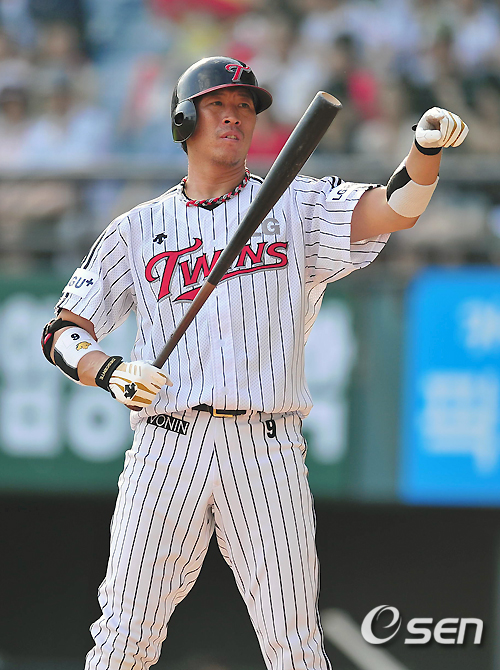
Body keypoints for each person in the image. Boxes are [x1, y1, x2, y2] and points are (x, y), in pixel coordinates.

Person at [41, 56, 468, 670]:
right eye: (218, 104)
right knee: (124, 638)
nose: (234, 116)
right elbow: (62, 333)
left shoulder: (295, 205)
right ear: (184, 120)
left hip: (265, 446)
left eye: (245, 106)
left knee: (293, 644)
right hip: (167, 443)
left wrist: (423, 152)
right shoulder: (138, 227)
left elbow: (395, 208)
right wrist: (109, 371)